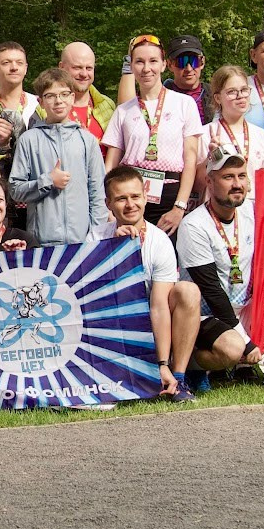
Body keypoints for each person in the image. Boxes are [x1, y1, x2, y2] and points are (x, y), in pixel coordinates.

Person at [172, 150, 264, 389]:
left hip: (243, 307)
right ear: (209, 181)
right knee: (233, 349)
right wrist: (246, 342)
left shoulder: (252, 211)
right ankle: (194, 367)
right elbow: (211, 290)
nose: (237, 184)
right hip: (206, 314)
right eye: (228, 177)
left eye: (241, 176)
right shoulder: (194, 225)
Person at [100, 167, 189, 398]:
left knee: (188, 291)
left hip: (150, 323)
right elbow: (95, 301)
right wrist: (113, 250)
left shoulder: (160, 242)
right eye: (121, 198)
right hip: (112, 325)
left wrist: (161, 363)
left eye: (135, 196)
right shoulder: (95, 237)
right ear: (108, 203)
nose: (130, 204)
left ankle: (178, 377)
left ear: (145, 197)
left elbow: (159, 307)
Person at [103, 34, 202, 235]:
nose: (146, 68)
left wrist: (179, 207)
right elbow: (110, 165)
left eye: (153, 61)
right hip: (130, 198)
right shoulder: (123, 111)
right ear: (131, 66)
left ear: (164, 65)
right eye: (139, 62)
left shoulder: (184, 104)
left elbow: (190, 160)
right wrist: (108, 208)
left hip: (169, 196)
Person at [9, 73, 106, 245]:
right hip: (41, 241)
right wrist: (48, 181)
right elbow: (15, 190)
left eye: (64, 94)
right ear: (41, 102)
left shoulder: (87, 140)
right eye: (50, 96)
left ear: (72, 97)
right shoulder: (29, 140)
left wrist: (95, 235)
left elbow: (98, 192)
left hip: (81, 241)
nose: (58, 101)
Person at [202, 67, 264, 179]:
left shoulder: (263, 137)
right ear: (218, 98)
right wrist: (210, 159)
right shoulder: (205, 134)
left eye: (244, 90)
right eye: (232, 92)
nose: (240, 96)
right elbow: (197, 183)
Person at [0, 42, 36, 168]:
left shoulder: (39, 104)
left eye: (19, 63)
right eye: (6, 63)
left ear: (26, 68)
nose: (14, 67)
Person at [58, 41, 116, 138]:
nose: (84, 74)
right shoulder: (46, 108)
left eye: (89, 68)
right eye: (77, 67)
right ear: (61, 67)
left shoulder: (107, 105)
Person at [166, 36, 210, 122]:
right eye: (181, 62)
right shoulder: (160, 99)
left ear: (202, 62)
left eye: (194, 61)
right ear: (169, 65)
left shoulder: (217, 97)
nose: (189, 69)